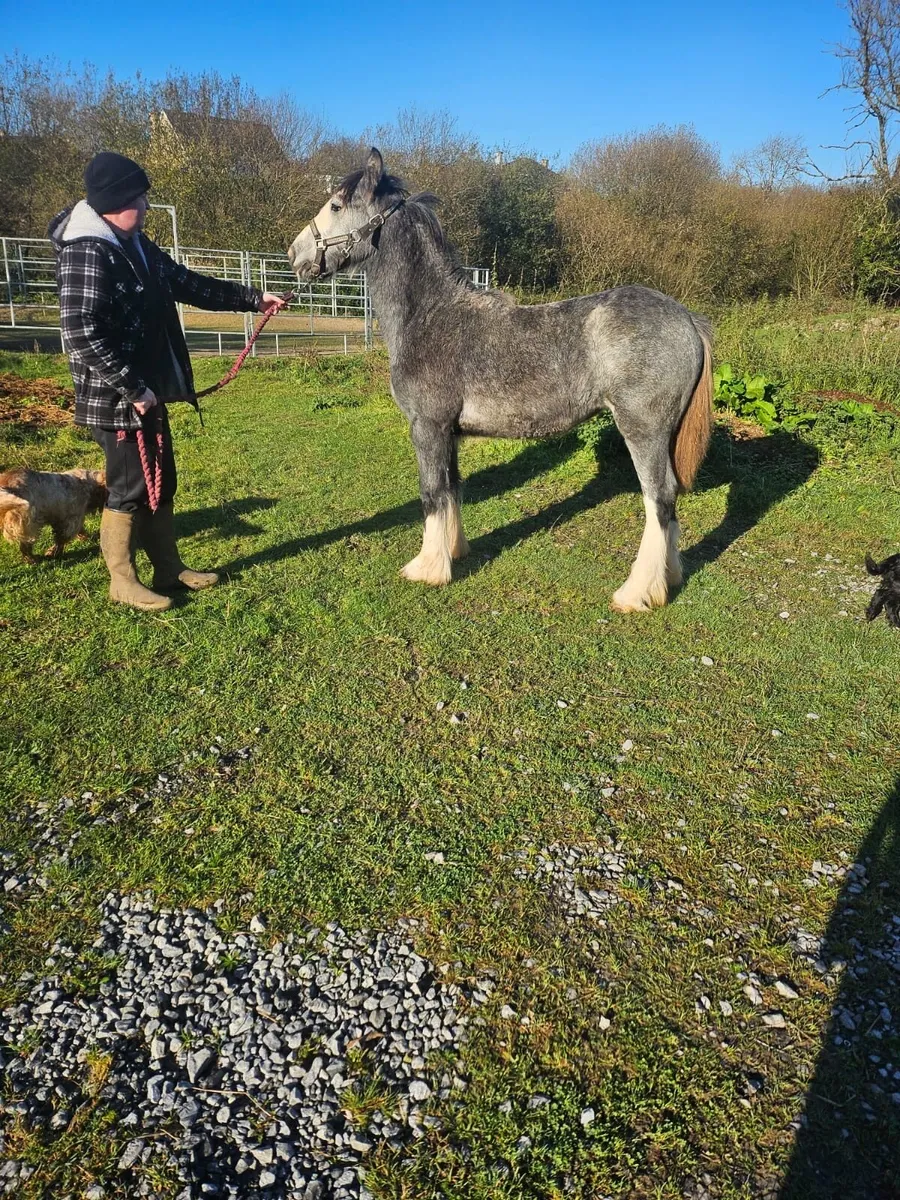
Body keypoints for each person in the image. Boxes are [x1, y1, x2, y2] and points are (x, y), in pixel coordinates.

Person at [49, 151, 287, 612]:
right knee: (129, 487)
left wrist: (253, 299)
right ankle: (123, 580)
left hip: (146, 390)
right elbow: (80, 330)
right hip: (118, 397)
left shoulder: (135, 243)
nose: (146, 204)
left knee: (162, 480)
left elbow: (187, 282)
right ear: (118, 200)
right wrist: (132, 388)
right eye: (140, 196)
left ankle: (168, 566)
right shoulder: (87, 249)